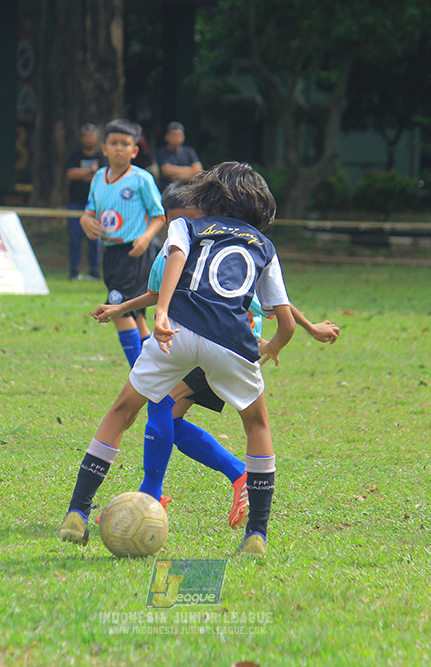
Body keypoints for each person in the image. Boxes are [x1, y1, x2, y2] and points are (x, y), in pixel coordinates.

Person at [61, 161, 296, 557]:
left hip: (179, 330)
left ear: (207, 197)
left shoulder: (188, 226)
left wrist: (163, 313)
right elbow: (285, 322)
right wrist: (272, 347)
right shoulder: (264, 246)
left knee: (123, 410)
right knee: (256, 424)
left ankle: (78, 511)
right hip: (233, 342)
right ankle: (256, 534)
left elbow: (173, 260)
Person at [92, 181, 340, 529]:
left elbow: (274, 299)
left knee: (161, 406)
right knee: (169, 417)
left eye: (188, 218)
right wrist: (122, 308)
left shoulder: (215, 243)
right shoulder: (178, 251)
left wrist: (310, 326)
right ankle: (219, 479)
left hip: (220, 339)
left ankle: (157, 494)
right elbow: (154, 294)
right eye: (172, 220)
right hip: (210, 338)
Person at [80, 119, 166, 366]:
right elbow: (90, 211)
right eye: (113, 143)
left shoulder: (142, 179)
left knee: (118, 309)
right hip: (111, 251)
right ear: (104, 148)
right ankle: (156, 373)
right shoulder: (98, 177)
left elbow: (159, 215)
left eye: (125, 144)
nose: (119, 148)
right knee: (137, 317)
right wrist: (85, 221)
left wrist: (146, 237)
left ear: (134, 150)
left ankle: (140, 378)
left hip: (136, 252)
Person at [65, 123, 105, 280]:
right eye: (85, 135)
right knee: (75, 238)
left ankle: (94, 271)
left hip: (96, 205)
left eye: (91, 135)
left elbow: (101, 176)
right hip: (76, 203)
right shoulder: (75, 156)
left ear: (96, 138)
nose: (88, 139)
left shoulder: (102, 156)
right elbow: (71, 174)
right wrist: (89, 171)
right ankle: (74, 270)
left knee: (95, 238)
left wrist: (85, 175)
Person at [155, 121, 202, 191]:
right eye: (173, 135)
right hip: (169, 191)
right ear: (166, 137)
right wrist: (189, 170)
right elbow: (166, 170)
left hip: (188, 191)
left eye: (179, 135)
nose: (176, 137)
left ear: (183, 137)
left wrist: (178, 175)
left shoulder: (189, 151)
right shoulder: (162, 152)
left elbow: (198, 171)